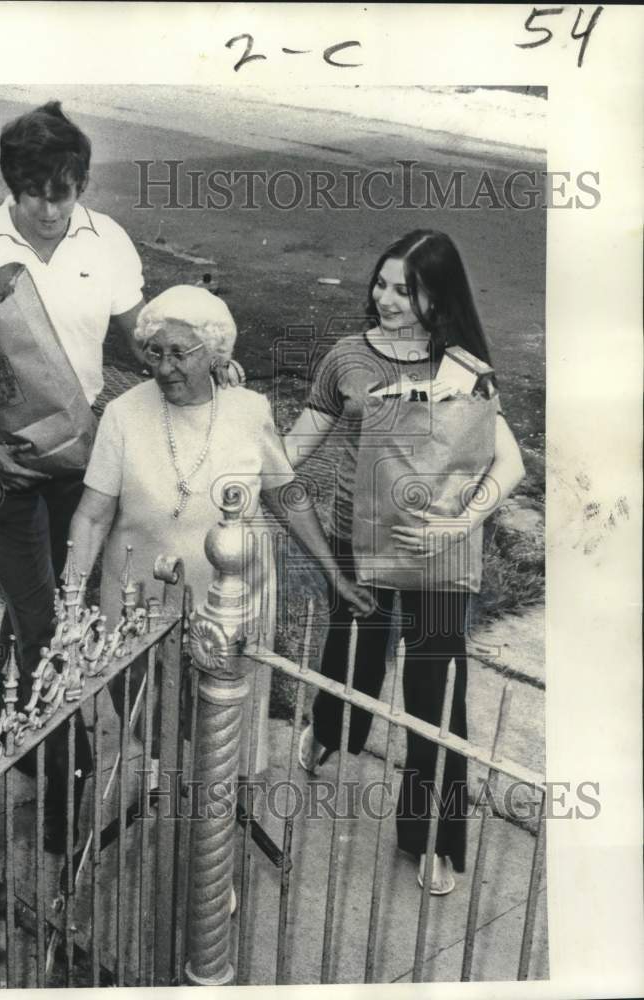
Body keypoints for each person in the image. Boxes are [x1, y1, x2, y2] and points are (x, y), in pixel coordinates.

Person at [0, 101, 146, 853]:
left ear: (80, 183)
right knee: (46, 620)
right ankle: (61, 790)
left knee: (54, 600)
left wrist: (194, 360)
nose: (51, 208)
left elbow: (133, 334)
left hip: (76, 455)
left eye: (65, 190)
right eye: (35, 192)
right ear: (10, 185)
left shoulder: (104, 239)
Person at [284, 229, 525, 894]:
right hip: (353, 540)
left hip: (436, 553)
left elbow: (510, 464)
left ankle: (430, 837)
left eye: (405, 289)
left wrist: (459, 522)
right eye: (381, 285)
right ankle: (333, 728)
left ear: (436, 296)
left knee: (433, 694)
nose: (386, 299)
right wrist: (247, 459)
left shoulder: (463, 369)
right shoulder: (347, 357)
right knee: (351, 650)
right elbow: (298, 441)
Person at [65, 285, 374, 779]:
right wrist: (71, 600)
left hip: (231, 603)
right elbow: (92, 515)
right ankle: (171, 807)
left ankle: (213, 816)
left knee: (223, 731)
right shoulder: (123, 414)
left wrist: (334, 575)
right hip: (141, 601)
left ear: (214, 353)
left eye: (180, 354)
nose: (164, 368)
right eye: (155, 352)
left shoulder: (249, 411)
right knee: (155, 728)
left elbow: (287, 497)